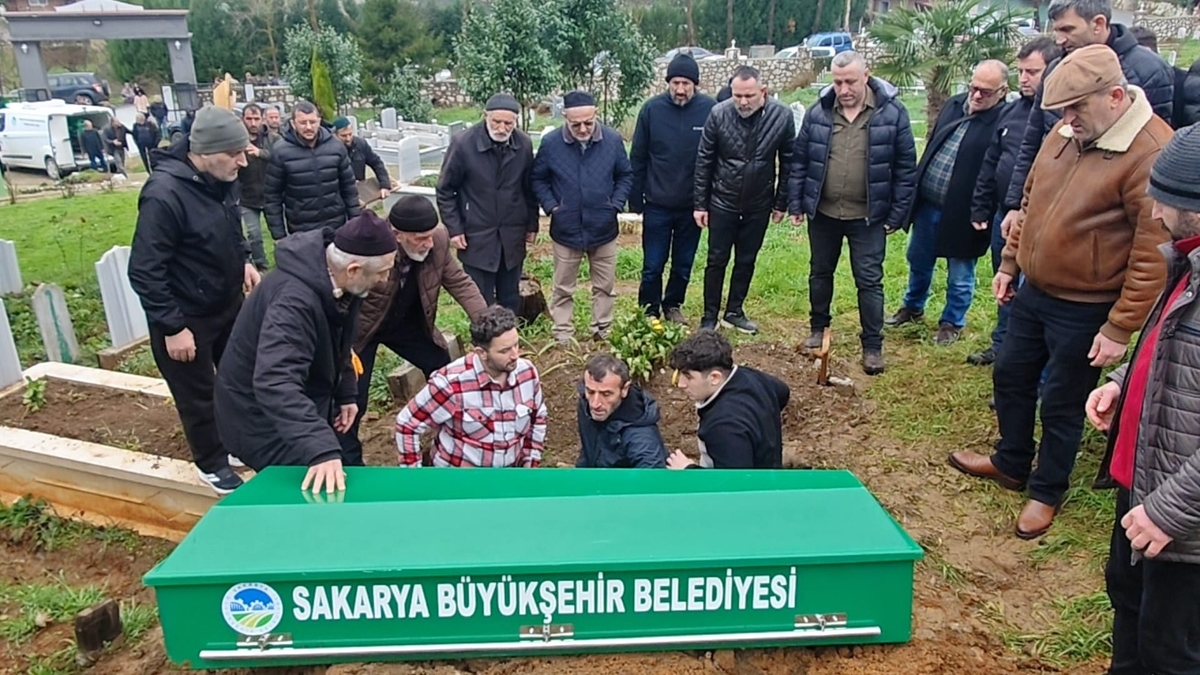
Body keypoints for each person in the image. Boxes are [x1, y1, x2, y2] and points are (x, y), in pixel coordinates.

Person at [949, 45, 1172, 539]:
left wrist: (1119, 327)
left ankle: (1047, 489)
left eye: (1076, 109)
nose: (1067, 120)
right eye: (1062, 110)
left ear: (1115, 96)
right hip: (1035, 288)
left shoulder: (1150, 151)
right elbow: (1032, 199)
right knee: (1010, 374)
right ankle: (1011, 460)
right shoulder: (1066, 130)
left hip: (1087, 305)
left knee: (1064, 400)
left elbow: (1152, 250)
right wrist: (1010, 262)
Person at [1085, 125, 1200, 675]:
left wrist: (1170, 510)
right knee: (1128, 609)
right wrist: (1124, 383)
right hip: (1142, 484)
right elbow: (1172, 351)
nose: (1154, 213)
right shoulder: (1187, 260)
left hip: (1182, 517)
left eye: (1168, 201)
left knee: (1171, 651)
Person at [128, 105, 260, 495]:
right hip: (186, 316)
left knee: (237, 379)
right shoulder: (164, 195)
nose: (242, 161)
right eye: (234, 153)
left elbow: (230, 228)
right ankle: (211, 462)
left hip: (225, 301)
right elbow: (145, 269)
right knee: (198, 393)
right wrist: (173, 326)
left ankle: (235, 443)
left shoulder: (220, 179)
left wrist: (245, 262)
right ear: (204, 151)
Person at [214, 215, 398, 494]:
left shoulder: (342, 283)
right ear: (353, 269)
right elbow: (275, 382)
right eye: (382, 272)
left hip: (305, 398)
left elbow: (340, 342)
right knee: (316, 492)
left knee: (343, 467)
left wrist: (346, 391)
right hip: (259, 418)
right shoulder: (293, 303)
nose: (386, 280)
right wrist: (320, 449)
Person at [998, 0, 1174, 242]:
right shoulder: (1056, 69)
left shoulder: (1147, 70)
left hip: (1106, 231)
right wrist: (1015, 204)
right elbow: (1032, 141)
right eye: (1057, 30)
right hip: (1049, 212)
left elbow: (1156, 158)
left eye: (1067, 30)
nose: (1059, 40)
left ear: (1098, 24)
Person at [789, 51, 917, 375]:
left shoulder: (892, 113)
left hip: (868, 217)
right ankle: (818, 328)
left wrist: (898, 213)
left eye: (850, 81)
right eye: (837, 81)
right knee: (820, 273)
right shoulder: (819, 113)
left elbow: (905, 169)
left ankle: (872, 346)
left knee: (870, 281)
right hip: (824, 213)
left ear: (866, 75)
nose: (843, 89)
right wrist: (796, 203)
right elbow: (800, 160)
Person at [339, 196, 488, 466]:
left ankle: (454, 439)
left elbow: (459, 281)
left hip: (407, 323)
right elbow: (343, 295)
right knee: (353, 396)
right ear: (397, 234)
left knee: (443, 370)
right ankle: (348, 459)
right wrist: (341, 344)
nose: (428, 244)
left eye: (430, 236)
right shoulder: (371, 246)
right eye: (420, 238)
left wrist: (488, 323)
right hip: (363, 330)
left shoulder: (438, 241)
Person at [887, 60, 1010, 345]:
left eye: (986, 92)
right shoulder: (954, 105)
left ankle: (952, 322)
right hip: (929, 204)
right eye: (974, 88)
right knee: (918, 259)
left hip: (966, 212)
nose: (977, 95)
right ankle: (912, 307)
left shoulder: (1003, 122)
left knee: (960, 271)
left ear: (1002, 92)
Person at [967, 38, 1062, 367]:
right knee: (1004, 281)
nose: (1024, 78)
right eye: (1021, 71)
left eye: (1032, 71)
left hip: (1044, 219)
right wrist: (983, 205)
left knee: (1031, 290)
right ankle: (1002, 345)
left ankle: (1031, 359)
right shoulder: (1011, 111)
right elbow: (991, 161)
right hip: (1005, 214)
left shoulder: (1061, 115)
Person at [693, 65, 794, 334]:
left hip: (758, 202)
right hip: (722, 200)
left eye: (749, 96)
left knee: (746, 259)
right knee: (716, 259)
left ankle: (734, 311)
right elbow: (704, 160)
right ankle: (709, 315)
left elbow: (788, 162)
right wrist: (700, 204)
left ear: (763, 91)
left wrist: (780, 202)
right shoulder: (718, 113)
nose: (743, 102)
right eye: (737, 95)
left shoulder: (782, 116)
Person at [532, 91, 633, 344]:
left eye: (588, 122)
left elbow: (625, 175)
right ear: (565, 117)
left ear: (595, 114)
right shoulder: (552, 143)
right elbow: (538, 178)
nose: (583, 128)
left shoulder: (611, 140)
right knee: (563, 287)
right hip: (566, 229)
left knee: (605, 286)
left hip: (603, 226)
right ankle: (563, 333)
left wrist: (615, 205)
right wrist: (552, 206)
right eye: (575, 123)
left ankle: (603, 329)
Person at [395, 305, 547, 468]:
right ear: (481, 353)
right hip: (458, 480)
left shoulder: (527, 373)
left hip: (508, 477)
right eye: (504, 351)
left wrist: (530, 464)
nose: (515, 355)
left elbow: (538, 418)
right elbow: (407, 424)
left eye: (516, 345)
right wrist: (415, 479)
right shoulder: (451, 383)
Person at [629, 54, 716, 326]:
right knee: (653, 264)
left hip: (693, 206)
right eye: (675, 82)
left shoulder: (710, 110)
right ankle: (649, 309)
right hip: (657, 204)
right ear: (668, 82)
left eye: (686, 83)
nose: (680, 89)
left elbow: (717, 158)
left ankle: (673, 305)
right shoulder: (652, 110)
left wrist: (709, 201)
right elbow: (638, 157)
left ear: (695, 84)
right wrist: (636, 200)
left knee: (683, 263)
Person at [436, 93, 539, 311]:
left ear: (516, 121)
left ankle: (509, 342)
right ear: (485, 116)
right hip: (476, 233)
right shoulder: (463, 144)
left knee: (510, 295)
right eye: (497, 122)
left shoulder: (523, 144)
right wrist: (455, 229)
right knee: (479, 298)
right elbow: (445, 190)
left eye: (508, 123)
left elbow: (528, 188)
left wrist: (532, 225)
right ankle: (482, 343)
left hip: (512, 232)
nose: (502, 128)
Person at [664, 330, 790, 469]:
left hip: (757, 486)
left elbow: (734, 485)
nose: (681, 384)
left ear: (715, 378)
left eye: (689, 377)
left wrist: (689, 469)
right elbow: (782, 391)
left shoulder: (724, 428)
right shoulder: (752, 377)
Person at [264, 100, 361, 239]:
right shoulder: (281, 152)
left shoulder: (336, 147)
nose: (309, 127)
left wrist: (355, 223)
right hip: (302, 228)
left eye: (313, 122)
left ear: (319, 121)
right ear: (293, 124)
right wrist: (279, 236)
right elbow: (272, 196)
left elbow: (349, 188)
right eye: (303, 123)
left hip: (336, 224)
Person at [576, 353, 668, 468]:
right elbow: (590, 448)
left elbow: (652, 481)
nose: (595, 404)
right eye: (590, 392)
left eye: (606, 394)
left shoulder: (641, 436)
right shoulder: (586, 403)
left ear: (624, 390)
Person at [237, 103, 277, 271]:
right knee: (254, 235)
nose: (253, 123)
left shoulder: (273, 138)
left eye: (256, 119)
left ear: (263, 119)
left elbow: (282, 157)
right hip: (247, 196)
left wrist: (261, 153)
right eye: (249, 119)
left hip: (271, 194)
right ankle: (261, 265)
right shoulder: (237, 139)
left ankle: (285, 262)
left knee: (278, 233)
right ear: (242, 119)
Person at [332, 116, 393, 206]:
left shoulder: (361, 144)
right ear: (335, 135)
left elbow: (376, 163)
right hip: (340, 198)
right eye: (343, 136)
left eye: (350, 134)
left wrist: (384, 185)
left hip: (360, 193)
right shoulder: (330, 150)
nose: (348, 139)